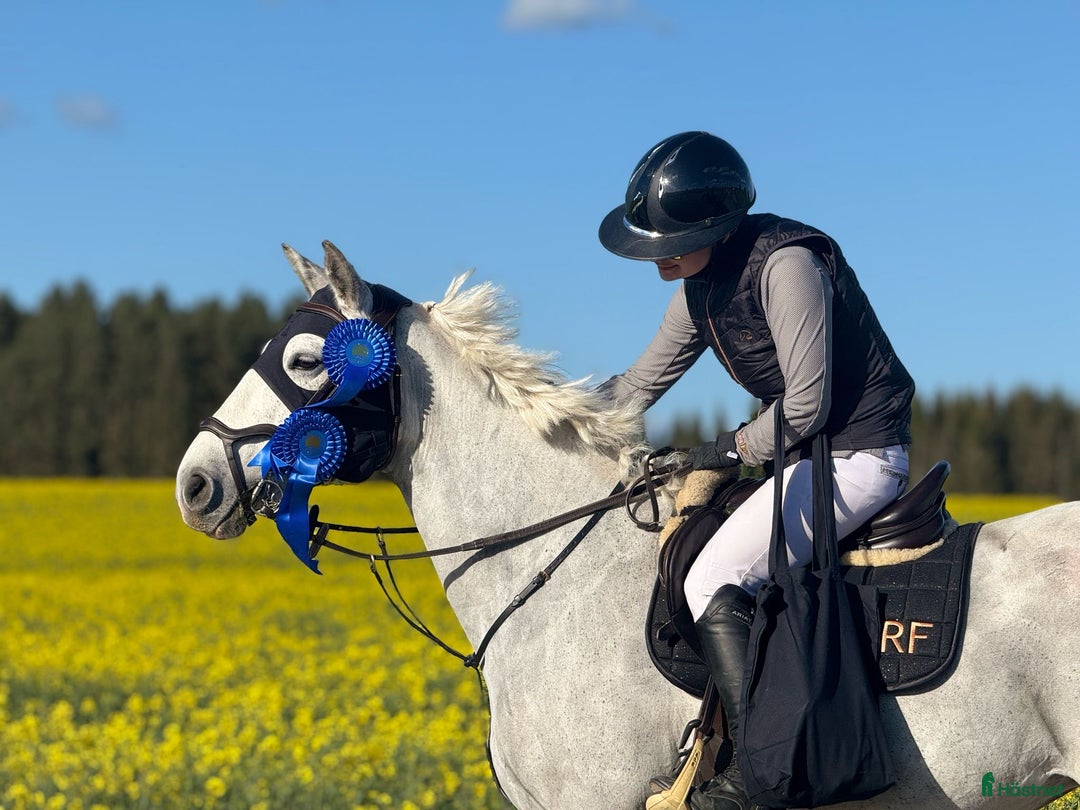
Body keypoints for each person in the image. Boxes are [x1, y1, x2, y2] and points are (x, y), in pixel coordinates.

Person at [597, 131, 915, 810]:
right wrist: (550, 414)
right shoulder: (698, 290)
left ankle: (760, 778)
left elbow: (806, 404)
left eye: (667, 242)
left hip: (859, 455)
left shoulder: (786, 263)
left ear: (714, 224)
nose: (656, 256)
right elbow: (635, 386)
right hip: (806, 457)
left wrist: (724, 449)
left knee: (716, 573)